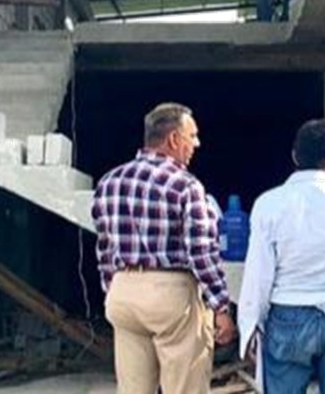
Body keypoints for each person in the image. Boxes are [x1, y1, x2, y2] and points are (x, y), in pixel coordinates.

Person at [91, 102, 236, 394]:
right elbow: (201, 252)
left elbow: (105, 247)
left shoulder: (109, 182)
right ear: (173, 139)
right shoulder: (186, 185)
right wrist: (220, 306)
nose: (197, 143)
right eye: (192, 136)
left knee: (133, 389)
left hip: (123, 292)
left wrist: (113, 288)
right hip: (171, 296)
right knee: (185, 387)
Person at [238, 119, 325, 393]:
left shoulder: (268, 204)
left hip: (289, 314)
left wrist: (251, 324)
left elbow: (259, 273)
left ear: (294, 155)